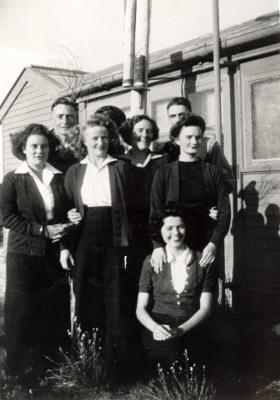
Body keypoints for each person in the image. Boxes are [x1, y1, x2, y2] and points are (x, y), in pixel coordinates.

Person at [64, 114, 139, 373]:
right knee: (84, 296)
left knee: (115, 297)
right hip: (84, 238)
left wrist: (128, 245)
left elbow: (133, 209)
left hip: (114, 238)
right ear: (84, 140)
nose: (100, 143)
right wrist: (69, 220)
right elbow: (67, 208)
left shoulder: (120, 167)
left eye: (104, 138)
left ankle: (115, 364)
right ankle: (87, 361)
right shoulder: (75, 171)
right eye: (94, 138)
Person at [2, 124, 72, 383]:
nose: (39, 150)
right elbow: (6, 216)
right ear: (23, 148)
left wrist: (64, 243)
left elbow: (65, 216)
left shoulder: (59, 177)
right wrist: (43, 230)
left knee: (51, 309)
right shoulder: (13, 178)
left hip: (53, 254)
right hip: (24, 254)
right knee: (21, 311)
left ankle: (49, 366)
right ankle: (17, 369)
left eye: (44, 146)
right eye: (34, 146)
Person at [136, 204, 216, 369]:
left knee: (194, 363)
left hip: (192, 324)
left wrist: (180, 330)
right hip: (160, 323)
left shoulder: (203, 261)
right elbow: (140, 308)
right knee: (167, 357)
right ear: (160, 231)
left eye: (180, 227)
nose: (176, 233)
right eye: (169, 228)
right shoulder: (151, 261)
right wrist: (156, 328)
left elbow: (205, 309)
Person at [150, 114, 231, 270]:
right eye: (189, 137)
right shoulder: (164, 173)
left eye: (198, 137)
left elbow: (225, 211)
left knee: (207, 291)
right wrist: (157, 246)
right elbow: (155, 211)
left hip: (205, 245)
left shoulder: (213, 172)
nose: (194, 142)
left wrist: (214, 243)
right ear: (177, 140)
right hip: (174, 244)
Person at [154, 97, 234, 193]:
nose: (177, 119)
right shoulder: (162, 147)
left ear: (190, 114)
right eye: (173, 116)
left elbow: (228, 181)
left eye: (181, 115)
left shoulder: (208, 145)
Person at [48, 96, 80, 173]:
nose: (65, 121)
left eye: (69, 116)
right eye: (60, 116)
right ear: (52, 118)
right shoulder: (44, 142)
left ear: (76, 119)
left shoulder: (84, 142)